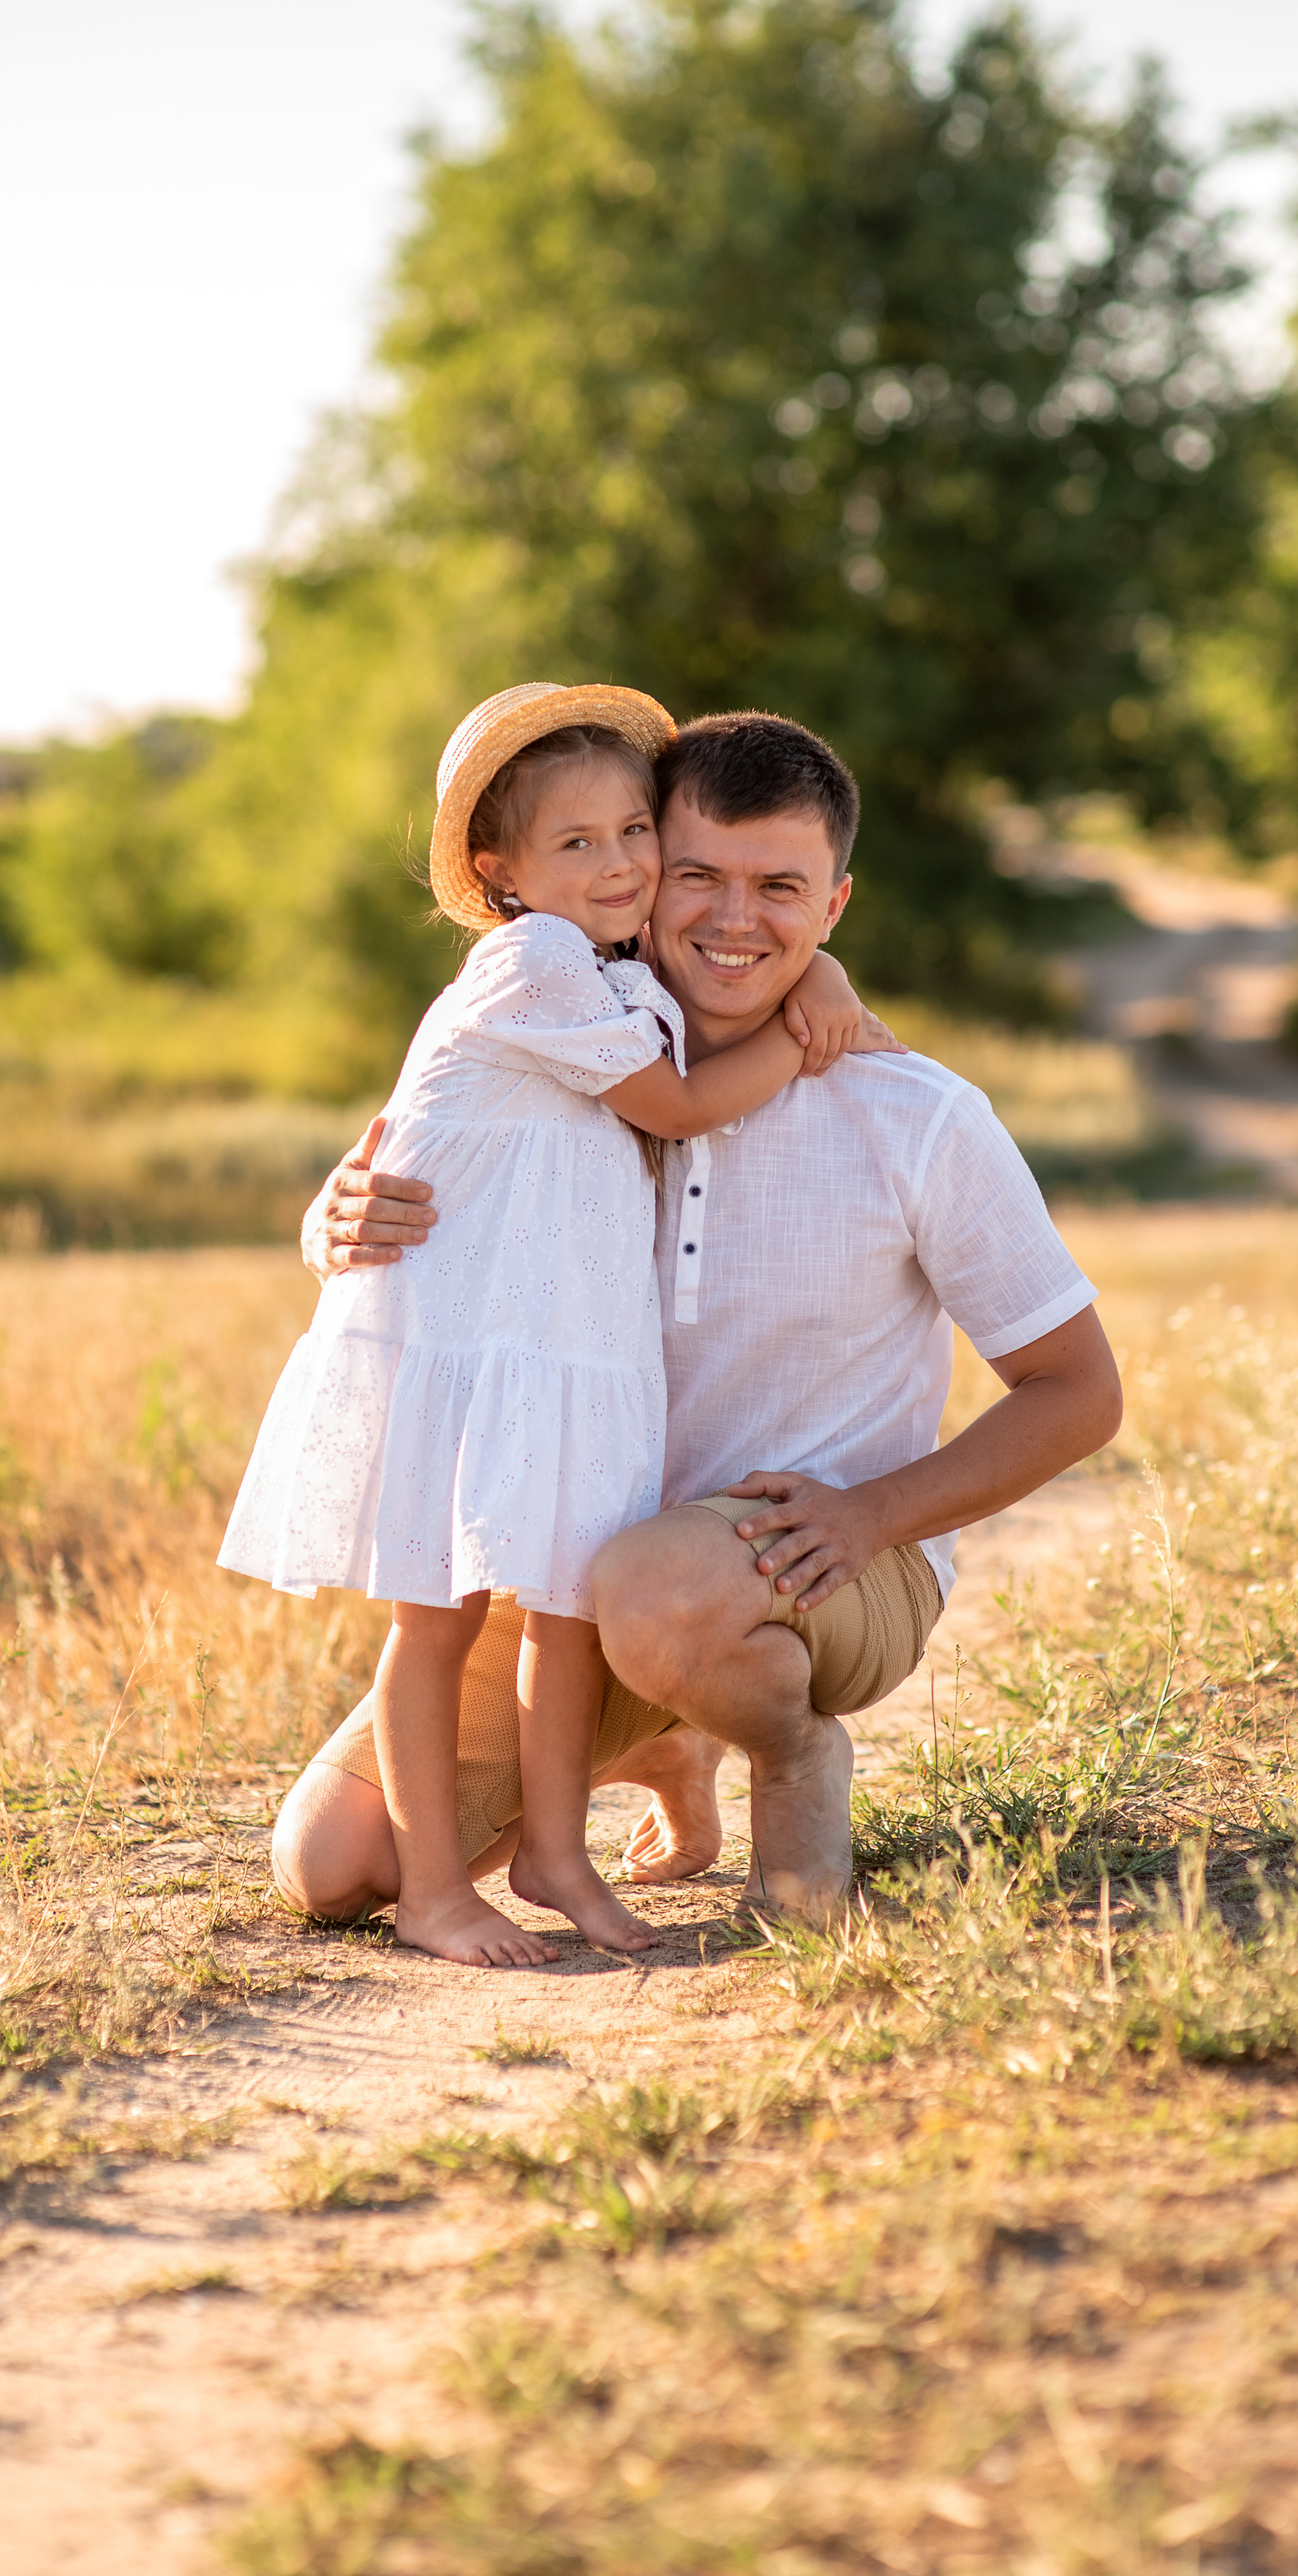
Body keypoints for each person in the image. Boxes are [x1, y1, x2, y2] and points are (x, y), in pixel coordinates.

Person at [276, 709, 1123, 1926]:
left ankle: (789, 1750)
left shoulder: (920, 1114)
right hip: (579, 1571)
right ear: (639, 882)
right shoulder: (582, 1046)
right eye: (696, 877)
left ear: (836, 903)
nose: (734, 920)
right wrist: (333, 1220)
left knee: (660, 1584)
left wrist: (871, 1513)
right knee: (333, 1865)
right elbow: (427, 1151)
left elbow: (1080, 1392)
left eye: (781, 887)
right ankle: (667, 1740)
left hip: (825, 1558)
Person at [220, 683, 897, 1968]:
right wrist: (821, 1030)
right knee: (436, 1617)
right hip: (475, 1350)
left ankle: (557, 1847)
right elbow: (676, 1107)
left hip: (563, 1355)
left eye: (636, 833)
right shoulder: (532, 963)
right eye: (578, 845)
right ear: (502, 872)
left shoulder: (612, 965)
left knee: (564, 1608)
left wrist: (823, 969)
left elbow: (750, 955)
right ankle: (431, 1888)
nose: (625, 865)